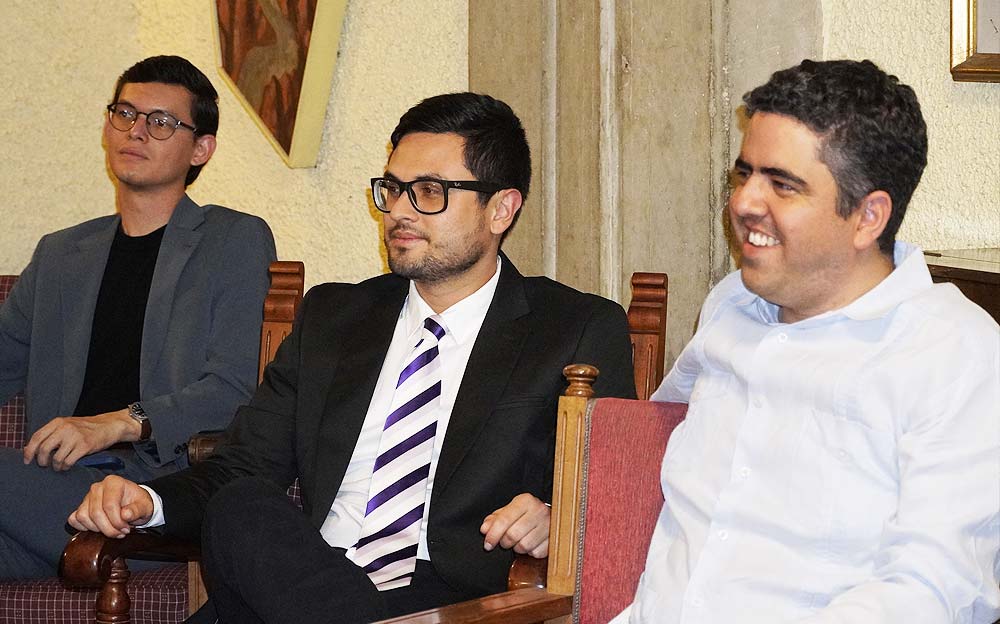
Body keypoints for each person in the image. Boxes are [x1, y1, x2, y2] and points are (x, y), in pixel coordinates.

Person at [70, 92, 636, 622]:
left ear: (501, 209)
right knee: (242, 505)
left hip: (451, 601)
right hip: (302, 582)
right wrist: (146, 499)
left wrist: (557, 519)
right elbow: (241, 467)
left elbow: (616, 504)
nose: (400, 211)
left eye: (430, 191)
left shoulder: (574, 330)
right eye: (393, 189)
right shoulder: (334, 318)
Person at [616, 59, 1000, 623]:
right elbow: (649, 436)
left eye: (782, 185)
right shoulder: (731, 303)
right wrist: (563, 512)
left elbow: (934, 590)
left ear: (868, 217)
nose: (744, 202)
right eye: (744, 174)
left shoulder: (954, 353)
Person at [0, 55, 276, 579]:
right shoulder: (60, 254)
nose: (136, 131)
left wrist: (115, 423)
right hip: (52, 498)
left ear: (201, 149)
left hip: (154, 496)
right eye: (125, 113)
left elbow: (236, 388)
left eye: (162, 122)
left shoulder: (233, 240)